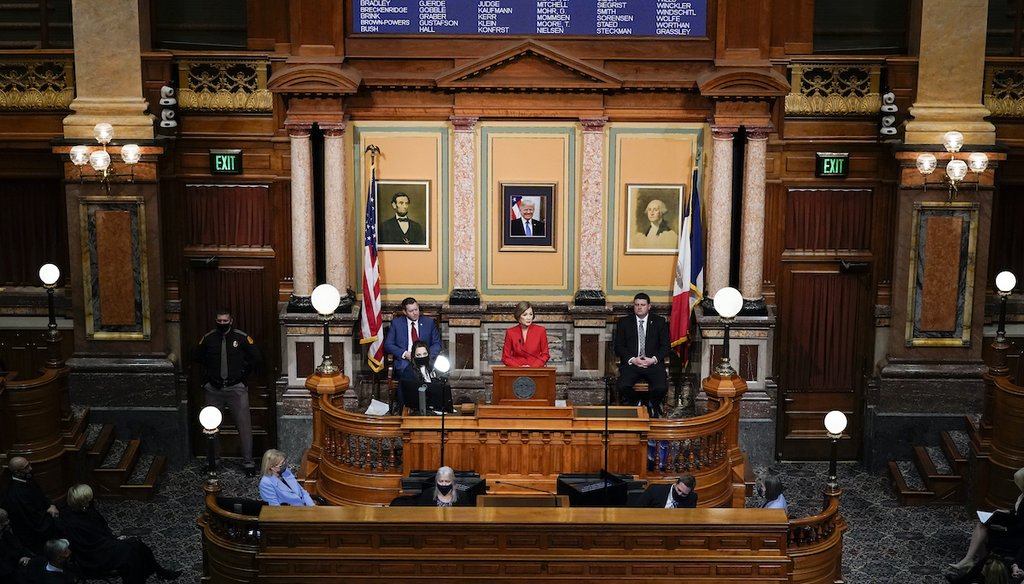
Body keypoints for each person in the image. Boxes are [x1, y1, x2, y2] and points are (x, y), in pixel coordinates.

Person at [58, 484, 180, 583]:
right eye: (89, 499)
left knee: (138, 545)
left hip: (105, 545)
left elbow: (103, 529)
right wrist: (116, 542)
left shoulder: (88, 511)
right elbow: (88, 544)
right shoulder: (70, 522)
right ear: (83, 502)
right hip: (94, 554)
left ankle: (159, 571)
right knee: (130, 555)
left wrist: (116, 539)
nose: (93, 500)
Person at [194, 308, 262, 476]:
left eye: (225, 321)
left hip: (236, 389)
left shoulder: (241, 337)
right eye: (220, 321)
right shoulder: (209, 338)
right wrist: (208, 377)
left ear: (231, 321)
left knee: (244, 426)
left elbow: (256, 358)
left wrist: (242, 376)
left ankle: (248, 463)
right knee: (211, 427)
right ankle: (213, 461)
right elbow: (197, 357)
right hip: (214, 389)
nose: (222, 323)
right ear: (216, 320)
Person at [948, 467, 1024, 581]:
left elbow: (1021, 524)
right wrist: (1005, 513)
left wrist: (1004, 526)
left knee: (985, 531)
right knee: (982, 524)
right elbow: (1017, 513)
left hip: (1018, 537)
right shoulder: (1022, 496)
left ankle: (978, 565)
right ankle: (974, 562)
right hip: (1014, 528)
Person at [613, 292, 671, 418]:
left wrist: (653, 359)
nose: (639, 307)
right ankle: (638, 403)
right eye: (637, 305)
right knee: (622, 386)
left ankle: (651, 403)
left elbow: (666, 346)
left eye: (642, 305)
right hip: (633, 364)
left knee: (661, 387)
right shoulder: (624, 322)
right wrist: (633, 359)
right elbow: (618, 347)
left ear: (649, 306)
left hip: (653, 364)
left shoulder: (659, 322)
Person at [1, 457, 60, 551]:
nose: (31, 468)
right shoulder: (15, 496)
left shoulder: (26, 478)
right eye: (26, 467)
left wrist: (50, 505)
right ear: (17, 472)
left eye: (29, 465)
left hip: (44, 515)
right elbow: (31, 520)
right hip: (35, 534)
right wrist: (50, 513)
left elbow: (41, 495)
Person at [383, 297, 442, 383]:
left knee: (433, 374)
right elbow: (388, 345)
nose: (415, 313)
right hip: (406, 361)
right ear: (404, 312)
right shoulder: (396, 324)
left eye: (416, 309)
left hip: (426, 360)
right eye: (411, 311)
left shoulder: (429, 323)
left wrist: (426, 356)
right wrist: (405, 354)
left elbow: (437, 344)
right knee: (407, 373)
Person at [501, 301, 550, 368]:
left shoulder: (541, 331)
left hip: (536, 370)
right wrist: (519, 367)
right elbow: (505, 357)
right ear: (518, 317)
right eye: (525, 315)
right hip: (516, 370)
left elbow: (545, 355)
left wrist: (532, 367)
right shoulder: (510, 332)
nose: (528, 318)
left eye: (531, 314)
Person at [397, 340, 439, 412]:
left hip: (435, 406)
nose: (422, 357)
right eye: (418, 355)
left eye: (424, 354)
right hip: (418, 409)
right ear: (414, 356)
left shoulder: (433, 368)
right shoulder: (408, 372)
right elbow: (404, 398)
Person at [0, 508, 38, 583]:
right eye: (3, 524)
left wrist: (24, 557)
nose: (8, 523)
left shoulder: (5, 533)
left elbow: (20, 547)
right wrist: (19, 561)